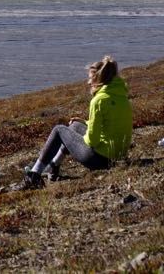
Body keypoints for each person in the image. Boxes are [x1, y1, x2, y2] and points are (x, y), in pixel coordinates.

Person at [23, 55, 133, 188]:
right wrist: (85, 123)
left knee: (59, 130)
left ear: (99, 79)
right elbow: (110, 124)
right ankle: (53, 167)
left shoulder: (98, 101)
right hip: (118, 156)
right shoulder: (121, 96)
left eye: (90, 79)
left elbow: (92, 140)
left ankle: (34, 174)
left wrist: (79, 137)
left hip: (100, 160)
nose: (88, 83)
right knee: (75, 125)